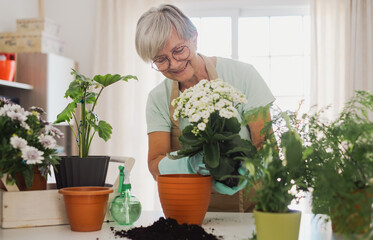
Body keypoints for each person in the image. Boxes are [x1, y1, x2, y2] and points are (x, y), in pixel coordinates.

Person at [135, 4, 275, 212]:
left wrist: (246, 169)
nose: (173, 64)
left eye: (178, 50)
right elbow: (155, 164)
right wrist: (189, 164)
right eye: (161, 59)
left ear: (194, 38)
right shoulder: (158, 98)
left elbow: (267, 145)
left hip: (250, 208)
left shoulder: (243, 76)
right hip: (188, 210)